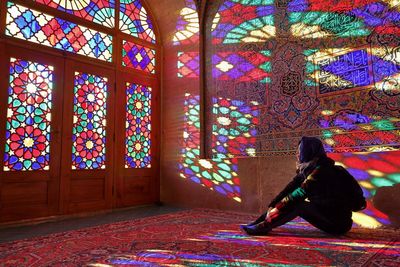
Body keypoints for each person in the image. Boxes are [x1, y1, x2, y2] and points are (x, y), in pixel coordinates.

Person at [241, 136, 366, 236]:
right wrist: (272, 205)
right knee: (289, 201)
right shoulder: (310, 168)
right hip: (327, 216)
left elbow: (299, 193)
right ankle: (257, 223)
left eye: (300, 151)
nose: (297, 154)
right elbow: (290, 187)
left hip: (338, 224)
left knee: (299, 205)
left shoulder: (321, 171)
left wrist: (275, 211)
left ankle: (264, 227)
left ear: (308, 151)